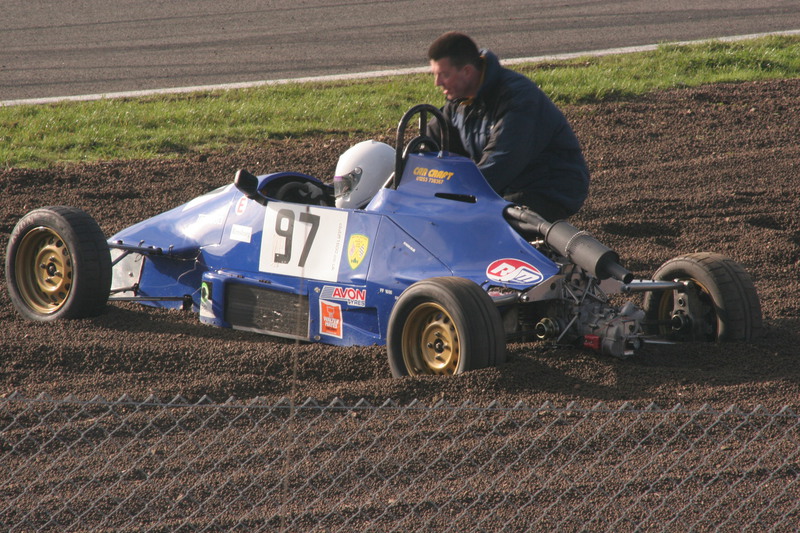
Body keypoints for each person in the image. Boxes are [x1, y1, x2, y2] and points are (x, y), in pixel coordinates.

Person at [426, 32, 589, 222]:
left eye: (444, 75)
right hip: (507, 186)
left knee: (479, 222)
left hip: (548, 188)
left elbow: (501, 162)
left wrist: (457, 198)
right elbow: (430, 145)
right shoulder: (459, 102)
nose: (437, 83)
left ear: (467, 71)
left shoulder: (517, 98)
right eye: (435, 75)